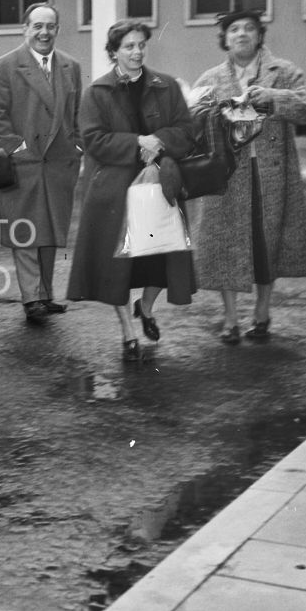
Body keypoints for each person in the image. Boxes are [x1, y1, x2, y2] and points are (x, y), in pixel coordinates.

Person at [65, 20, 197, 360]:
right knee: (119, 269)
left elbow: (186, 129)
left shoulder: (166, 86)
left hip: (159, 187)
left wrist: (161, 142)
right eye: (128, 46)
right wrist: (138, 142)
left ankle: (147, 307)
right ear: (114, 52)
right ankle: (127, 331)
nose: (136, 52)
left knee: (161, 258)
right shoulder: (97, 92)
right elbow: (92, 140)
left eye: (141, 45)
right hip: (115, 193)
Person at [187, 9, 306, 344]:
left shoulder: (283, 71)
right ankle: (230, 317)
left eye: (249, 28)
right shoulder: (210, 78)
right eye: (234, 30)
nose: (241, 34)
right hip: (227, 177)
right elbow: (192, 122)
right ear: (225, 39)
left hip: (271, 175)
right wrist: (213, 115)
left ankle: (262, 310)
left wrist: (273, 98)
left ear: (260, 36)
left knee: (266, 243)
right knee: (225, 246)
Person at [0, 3, 83, 325]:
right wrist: (19, 148)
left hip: (58, 163)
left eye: (50, 26)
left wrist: (77, 146)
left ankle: (45, 294)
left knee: (51, 230)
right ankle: (32, 298)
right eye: (37, 26)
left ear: (57, 30)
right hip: (24, 163)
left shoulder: (71, 66)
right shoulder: (3, 67)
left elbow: (77, 114)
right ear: (24, 29)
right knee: (27, 233)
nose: (44, 32)